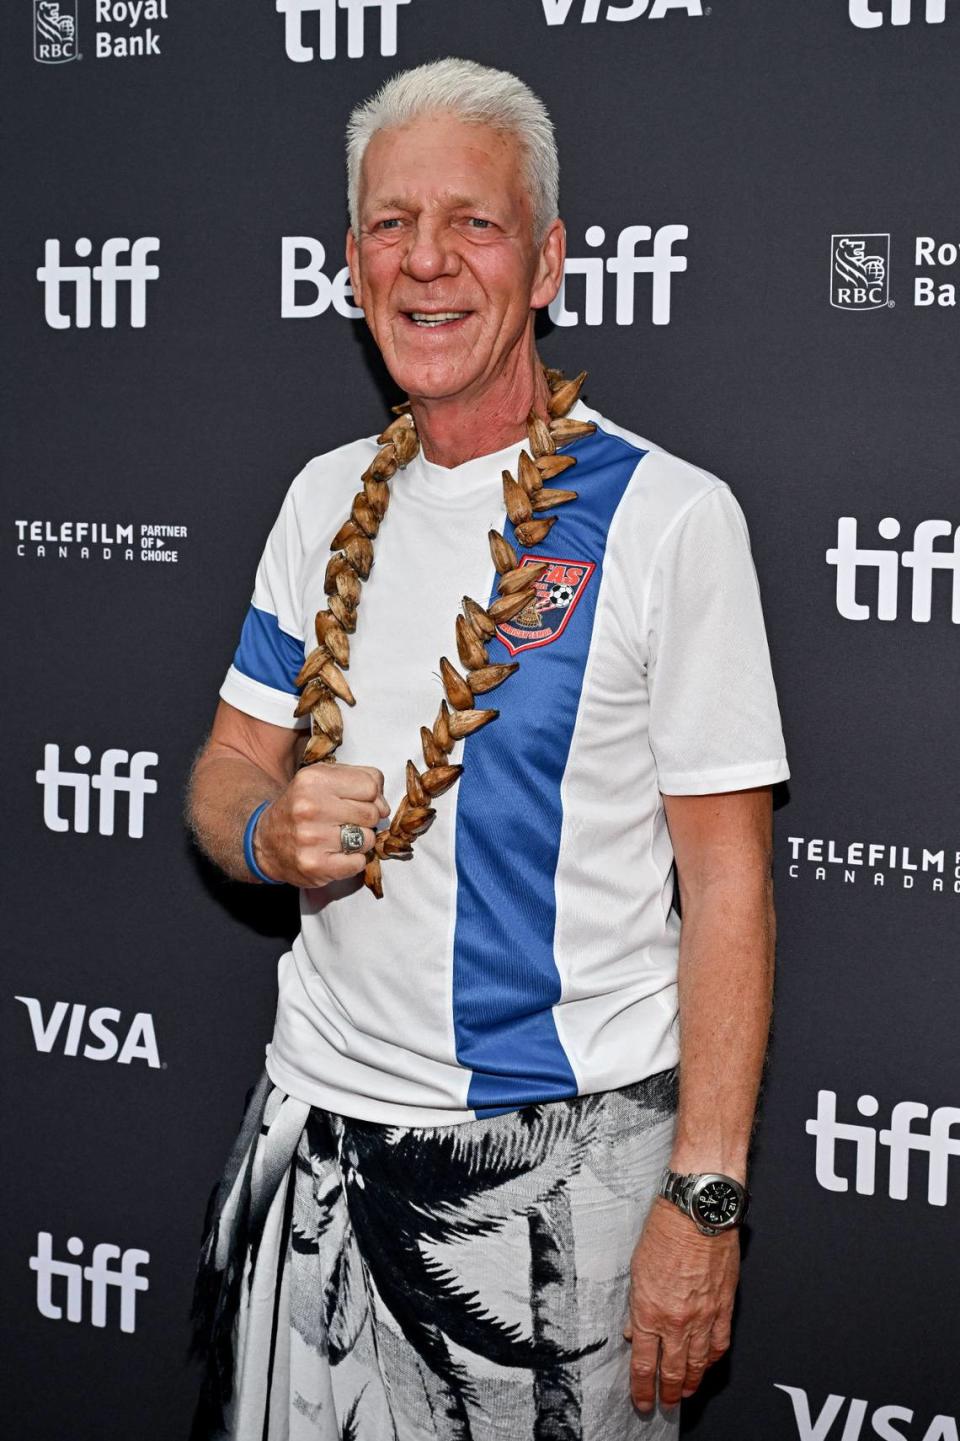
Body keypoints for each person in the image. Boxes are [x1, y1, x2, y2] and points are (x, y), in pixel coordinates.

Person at [186, 56, 789, 1441]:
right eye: (391, 223)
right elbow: (224, 763)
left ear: (550, 261)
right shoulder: (319, 499)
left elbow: (733, 888)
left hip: (561, 1176)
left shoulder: (667, 519)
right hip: (310, 1142)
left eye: (474, 221)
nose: (428, 261)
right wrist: (262, 832)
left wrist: (703, 1199)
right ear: (350, 264)